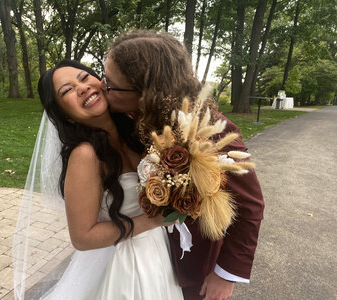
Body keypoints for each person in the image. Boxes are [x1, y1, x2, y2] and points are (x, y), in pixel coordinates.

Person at [101, 30, 265, 300]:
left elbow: (250, 207)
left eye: (110, 84)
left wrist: (225, 274)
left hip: (191, 268)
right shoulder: (125, 120)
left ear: (144, 92)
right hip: (141, 260)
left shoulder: (209, 132)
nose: (101, 86)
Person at [13, 59, 184, 300]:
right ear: (67, 116)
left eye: (84, 78)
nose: (81, 88)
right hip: (125, 265)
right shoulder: (85, 155)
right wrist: (153, 221)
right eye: (67, 90)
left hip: (159, 252)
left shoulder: (140, 131)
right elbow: (82, 237)